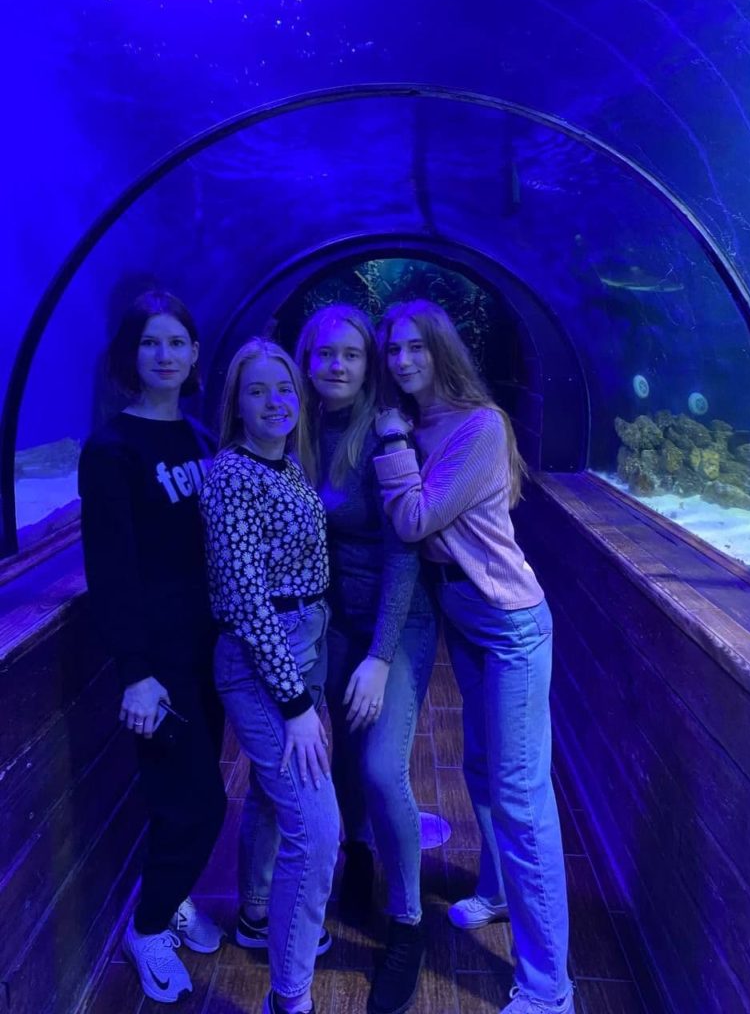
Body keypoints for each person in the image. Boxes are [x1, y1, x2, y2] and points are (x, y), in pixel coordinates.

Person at [373, 300, 573, 1014]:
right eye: (392, 349)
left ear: (442, 350)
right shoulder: (417, 420)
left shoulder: (480, 425)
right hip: (463, 612)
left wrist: (391, 440)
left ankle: (549, 990)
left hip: (509, 622)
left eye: (416, 348)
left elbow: (414, 519)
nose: (402, 361)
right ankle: (496, 892)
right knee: (482, 770)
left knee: (520, 796)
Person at [78, 290, 227, 1005]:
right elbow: (111, 570)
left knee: (184, 796)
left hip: (208, 651)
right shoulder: (111, 450)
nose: (164, 355)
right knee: (198, 804)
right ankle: (147, 927)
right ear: (128, 356)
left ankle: (173, 896)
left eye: (176, 342)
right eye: (149, 342)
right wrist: (134, 671)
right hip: (158, 663)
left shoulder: (201, 439)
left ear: (195, 354)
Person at [294, 305, 437, 1014]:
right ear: (307, 360)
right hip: (331, 622)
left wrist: (379, 658)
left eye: (351, 354)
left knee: (382, 766)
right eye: (325, 354)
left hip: (395, 621)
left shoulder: (385, 432)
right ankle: (356, 857)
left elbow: (403, 552)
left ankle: (408, 923)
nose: (337, 366)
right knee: (342, 757)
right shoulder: (296, 428)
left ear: (368, 364)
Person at [199, 338, 339, 1014]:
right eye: (257, 390)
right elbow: (247, 599)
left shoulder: (285, 464)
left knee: (269, 795)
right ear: (236, 403)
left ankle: (257, 913)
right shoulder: (232, 474)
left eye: (283, 387)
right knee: (316, 831)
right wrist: (295, 704)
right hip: (264, 662)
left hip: (304, 645)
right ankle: (290, 998)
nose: (275, 400)